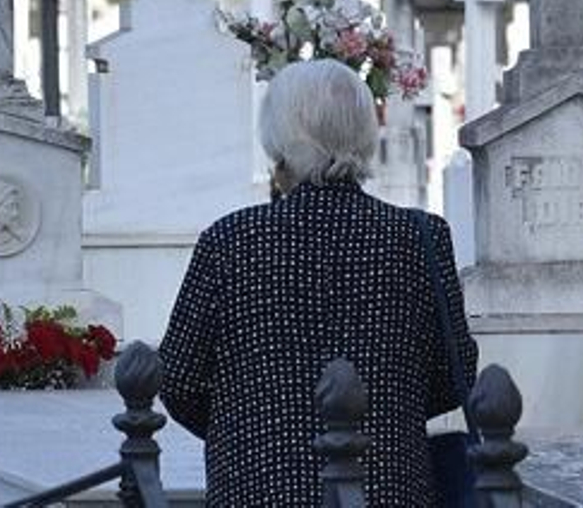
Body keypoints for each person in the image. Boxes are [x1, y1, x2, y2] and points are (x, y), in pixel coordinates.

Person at [160, 59, 477, 507]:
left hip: (260, 489)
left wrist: (256, 425)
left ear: (279, 140)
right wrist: (385, 414)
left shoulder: (230, 242)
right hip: (385, 487)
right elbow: (455, 374)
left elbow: (178, 380)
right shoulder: (419, 238)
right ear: (365, 132)